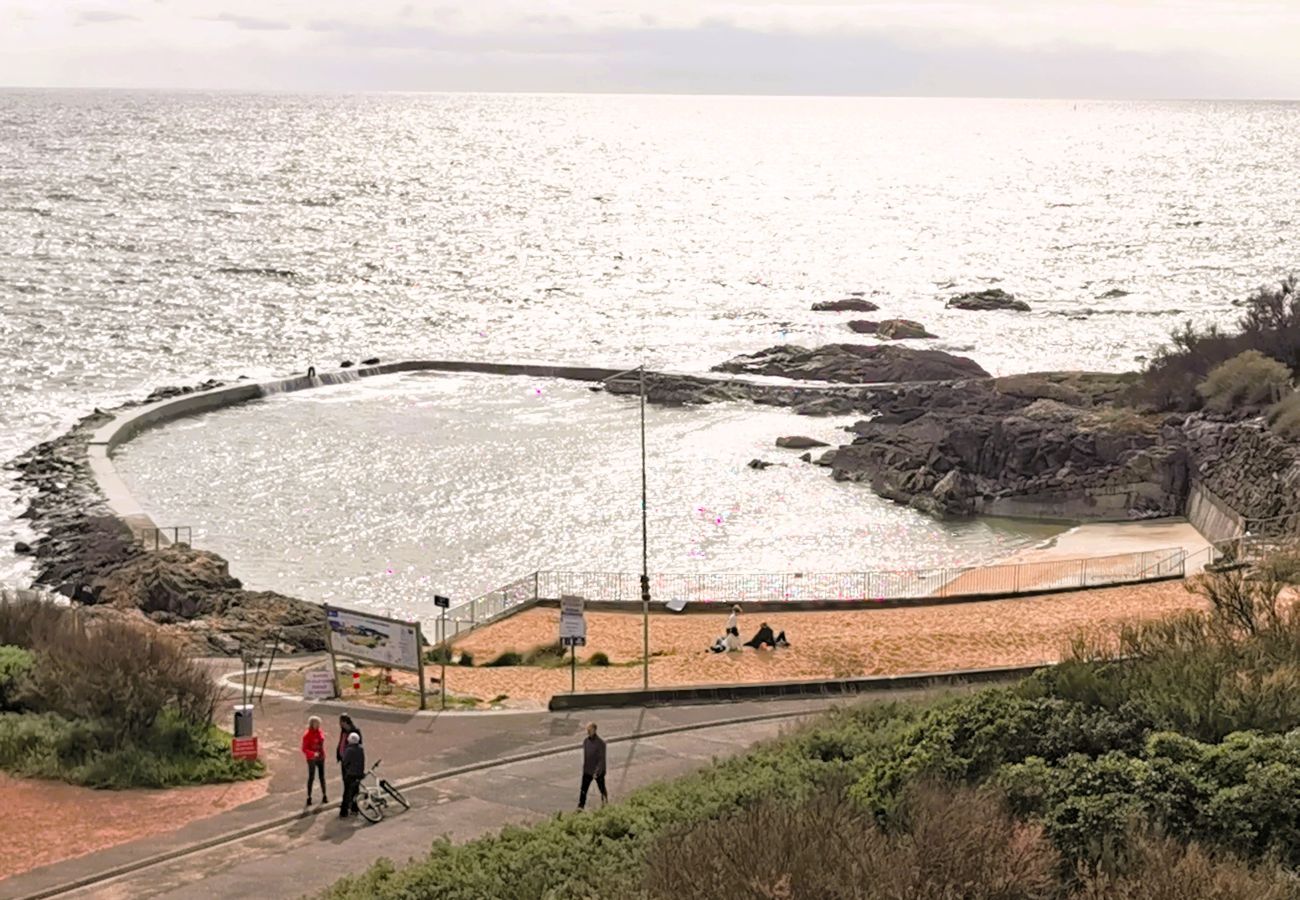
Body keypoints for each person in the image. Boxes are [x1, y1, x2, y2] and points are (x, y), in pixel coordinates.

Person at [577, 722, 608, 810]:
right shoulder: (586, 741)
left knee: (602, 788)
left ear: (594, 730)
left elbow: (601, 759)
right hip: (587, 770)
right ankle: (581, 806)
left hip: (598, 772)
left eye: (589, 730)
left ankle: (605, 803)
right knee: (583, 789)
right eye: (587, 730)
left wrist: (597, 772)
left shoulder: (601, 743)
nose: (588, 732)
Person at [301, 715, 327, 806]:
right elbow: (304, 749)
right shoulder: (307, 735)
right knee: (311, 777)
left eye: (319, 724)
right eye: (316, 723)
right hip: (312, 758)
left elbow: (322, 740)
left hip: (321, 756)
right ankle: (309, 796)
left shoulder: (319, 732)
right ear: (312, 724)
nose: (318, 725)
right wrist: (312, 754)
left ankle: (324, 795)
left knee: (322, 777)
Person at [340, 731, 365, 818]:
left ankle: (344, 811)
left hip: (350, 774)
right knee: (356, 791)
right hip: (359, 773)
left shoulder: (349, 750)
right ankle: (355, 808)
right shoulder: (360, 749)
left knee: (347, 792)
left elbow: (345, 762)